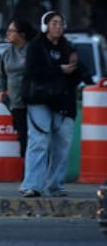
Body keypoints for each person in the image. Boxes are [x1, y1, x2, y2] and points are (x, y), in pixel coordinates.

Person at [19, 10, 88, 198]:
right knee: (39, 141)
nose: (58, 27)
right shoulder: (36, 46)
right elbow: (32, 71)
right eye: (54, 23)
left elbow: (79, 76)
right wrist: (58, 69)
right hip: (40, 99)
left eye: (60, 23)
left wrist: (75, 68)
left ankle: (56, 184)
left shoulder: (69, 47)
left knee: (62, 143)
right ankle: (32, 185)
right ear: (45, 26)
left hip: (63, 101)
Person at [0, 18, 37, 159]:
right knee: (22, 135)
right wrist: (1, 91)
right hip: (15, 103)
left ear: (22, 34)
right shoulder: (7, 53)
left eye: (11, 31)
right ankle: (26, 169)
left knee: (34, 137)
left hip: (32, 101)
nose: (8, 34)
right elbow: (1, 74)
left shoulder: (32, 50)